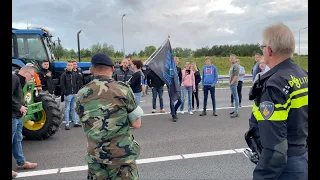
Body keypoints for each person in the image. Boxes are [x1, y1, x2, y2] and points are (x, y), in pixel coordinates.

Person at [248, 23, 308, 180]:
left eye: (262, 47)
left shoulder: (274, 85)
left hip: (285, 168)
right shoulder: (303, 75)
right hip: (302, 158)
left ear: (269, 50)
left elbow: (277, 151)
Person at [76, 53, 142, 180]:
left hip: (96, 157)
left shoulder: (81, 94)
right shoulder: (123, 90)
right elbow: (136, 123)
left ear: (91, 70)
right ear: (113, 69)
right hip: (121, 157)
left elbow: (85, 122)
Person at [12, 66, 38, 179]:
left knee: (17, 140)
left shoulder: (19, 81)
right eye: (32, 76)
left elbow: (19, 97)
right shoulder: (14, 78)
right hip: (12, 115)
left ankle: (21, 162)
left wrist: (23, 108)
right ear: (26, 73)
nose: (32, 79)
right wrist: (19, 107)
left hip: (17, 116)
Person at [60, 61, 82, 130]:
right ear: (66, 66)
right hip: (68, 94)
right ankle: (67, 124)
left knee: (73, 108)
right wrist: (66, 93)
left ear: (73, 66)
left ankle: (75, 122)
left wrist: (77, 92)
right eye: (68, 65)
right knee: (67, 109)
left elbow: (77, 83)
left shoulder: (75, 74)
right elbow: (62, 85)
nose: (70, 66)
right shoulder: (63, 75)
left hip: (74, 94)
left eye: (71, 65)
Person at [169, 57, 182, 121]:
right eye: (175, 61)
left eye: (177, 61)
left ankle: (174, 110)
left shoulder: (179, 69)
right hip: (171, 86)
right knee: (172, 101)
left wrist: (179, 84)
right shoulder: (169, 69)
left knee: (180, 101)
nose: (176, 62)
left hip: (177, 87)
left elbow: (180, 78)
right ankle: (173, 115)